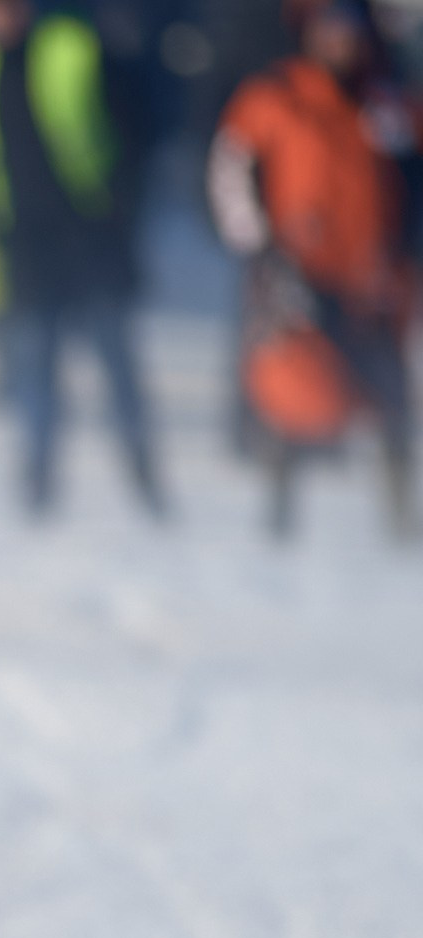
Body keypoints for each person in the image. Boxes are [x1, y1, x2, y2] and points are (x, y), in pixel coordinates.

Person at [0, 0, 163, 519]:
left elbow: (131, 129)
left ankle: (143, 477)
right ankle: (37, 488)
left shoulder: (72, 48)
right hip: (20, 243)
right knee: (35, 371)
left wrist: (119, 211)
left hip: (89, 232)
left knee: (116, 366)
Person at [210, 0, 418, 537]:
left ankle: (400, 525)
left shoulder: (386, 103)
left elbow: (409, 182)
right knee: (299, 397)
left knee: (390, 402)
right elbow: (231, 173)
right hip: (301, 272)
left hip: (371, 279)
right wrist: (260, 251)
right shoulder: (275, 97)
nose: (342, 45)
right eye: (332, 33)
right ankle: (280, 524)